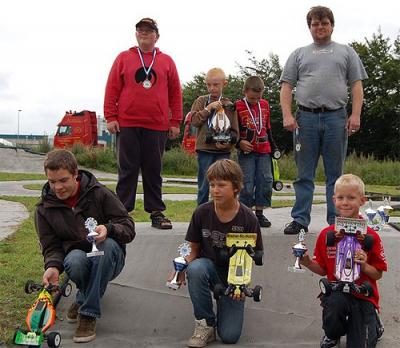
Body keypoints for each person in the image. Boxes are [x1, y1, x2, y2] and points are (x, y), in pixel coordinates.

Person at [280, 6, 368, 235]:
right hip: (305, 119)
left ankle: (336, 222)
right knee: (303, 174)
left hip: (336, 117)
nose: (320, 27)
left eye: (324, 23)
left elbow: (357, 85)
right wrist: (287, 115)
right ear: (310, 27)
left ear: (332, 25)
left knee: (335, 176)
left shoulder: (346, 52)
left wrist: (356, 114)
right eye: (315, 24)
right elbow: (286, 86)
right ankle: (299, 220)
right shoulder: (299, 53)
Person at [35, 149, 136, 343]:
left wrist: (109, 229)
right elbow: (51, 246)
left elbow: (129, 228)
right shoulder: (43, 209)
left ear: (75, 174)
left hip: (110, 256)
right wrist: (53, 267)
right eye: (52, 181)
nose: (57, 187)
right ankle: (84, 296)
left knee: (104, 248)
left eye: (63, 180)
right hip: (77, 257)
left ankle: (88, 313)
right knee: (74, 260)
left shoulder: (100, 194)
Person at [169, 159, 263, 347]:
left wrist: (242, 285)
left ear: (236, 187)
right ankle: (205, 324)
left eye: (221, 185)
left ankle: (227, 302)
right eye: (212, 185)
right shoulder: (201, 213)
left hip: (234, 277)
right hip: (208, 269)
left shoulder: (248, 218)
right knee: (195, 269)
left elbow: (252, 258)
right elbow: (192, 248)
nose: (214, 190)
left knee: (229, 336)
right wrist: (180, 268)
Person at [104, 17, 182, 229]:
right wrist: (110, 116)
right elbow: (112, 88)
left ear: (157, 36)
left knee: (153, 169)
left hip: (157, 124)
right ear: (136, 34)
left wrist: (175, 121)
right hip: (127, 123)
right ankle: (121, 213)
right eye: (140, 30)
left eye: (149, 30)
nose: (144, 33)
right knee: (127, 169)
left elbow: (175, 92)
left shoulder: (167, 61)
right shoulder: (123, 58)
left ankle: (157, 212)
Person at [299, 174, 387, 348]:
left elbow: (377, 274)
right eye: (340, 198)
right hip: (337, 292)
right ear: (334, 200)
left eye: (351, 198)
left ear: (362, 200)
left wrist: (364, 264)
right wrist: (307, 261)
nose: (345, 202)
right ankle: (332, 333)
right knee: (334, 304)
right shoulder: (326, 235)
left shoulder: (371, 236)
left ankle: (374, 323)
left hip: (363, 295)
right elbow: (323, 270)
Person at [190, 68, 239, 205]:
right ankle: (201, 214)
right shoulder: (201, 101)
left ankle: (224, 213)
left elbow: (235, 131)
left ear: (225, 83)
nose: (212, 88)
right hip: (204, 150)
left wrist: (228, 143)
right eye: (208, 85)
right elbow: (194, 121)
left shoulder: (229, 104)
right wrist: (208, 109)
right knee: (204, 185)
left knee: (224, 185)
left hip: (223, 151)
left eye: (216, 85)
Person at [236, 76, 278, 228]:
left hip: (264, 150)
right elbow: (233, 130)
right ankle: (245, 214)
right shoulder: (238, 106)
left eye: (259, 97)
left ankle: (259, 213)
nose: (256, 100)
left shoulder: (265, 105)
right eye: (253, 97)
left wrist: (274, 148)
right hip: (247, 152)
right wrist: (239, 143)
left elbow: (268, 128)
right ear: (245, 91)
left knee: (265, 181)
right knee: (246, 183)